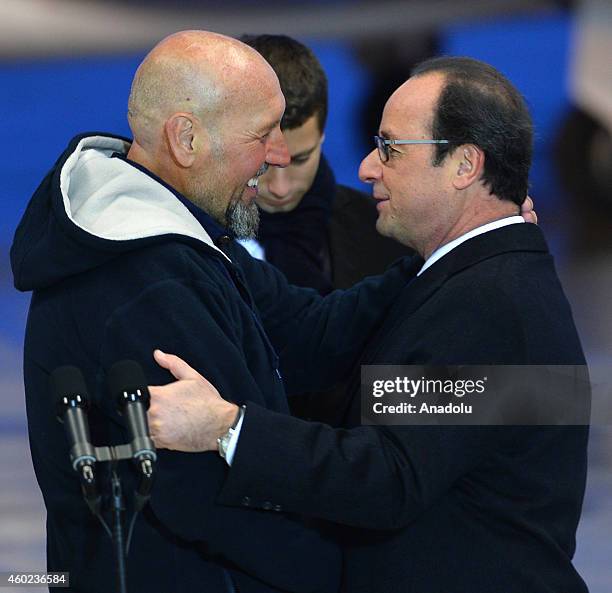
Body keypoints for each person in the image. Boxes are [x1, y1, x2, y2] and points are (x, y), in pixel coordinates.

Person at [147, 57, 589, 593]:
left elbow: (390, 477)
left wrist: (227, 428)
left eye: (390, 149)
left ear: (465, 165)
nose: (365, 168)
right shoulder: (480, 279)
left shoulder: (490, 302)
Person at [10, 30, 426, 593]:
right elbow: (213, 500)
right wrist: (351, 575)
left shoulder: (186, 235)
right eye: (262, 134)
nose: (278, 155)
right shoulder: (143, 283)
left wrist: (441, 253)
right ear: (186, 140)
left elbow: (305, 334)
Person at [238, 34, 410, 295]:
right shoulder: (184, 239)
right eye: (264, 164)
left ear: (321, 139)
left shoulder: (393, 236)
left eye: (301, 159)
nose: (280, 188)